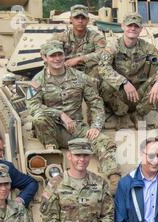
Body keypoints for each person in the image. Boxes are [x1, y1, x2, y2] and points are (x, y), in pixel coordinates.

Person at [27, 40, 121, 193]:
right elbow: (33, 107)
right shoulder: (37, 81)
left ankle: (114, 182)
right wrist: (59, 114)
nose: (57, 59)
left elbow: (95, 103)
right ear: (44, 57)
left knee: (105, 143)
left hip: (74, 129)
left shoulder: (80, 78)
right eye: (53, 56)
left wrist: (95, 126)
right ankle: (53, 159)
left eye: (60, 54)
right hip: (50, 130)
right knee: (39, 119)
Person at [98, 13, 158, 126]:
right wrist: (123, 82)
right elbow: (103, 67)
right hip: (120, 93)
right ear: (123, 26)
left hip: (139, 92)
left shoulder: (146, 47)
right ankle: (121, 113)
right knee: (105, 86)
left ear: (141, 29)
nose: (133, 28)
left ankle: (138, 113)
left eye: (136, 26)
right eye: (129, 25)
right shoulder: (113, 46)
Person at [52, 4, 106, 77]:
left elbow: (103, 54)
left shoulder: (96, 37)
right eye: (76, 18)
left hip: (88, 74)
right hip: (66, 71)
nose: (80, 21)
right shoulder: (61, 37)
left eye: (83, 18)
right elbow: (47, 52)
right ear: (71, 19)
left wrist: (80, 59)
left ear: (88, 20)